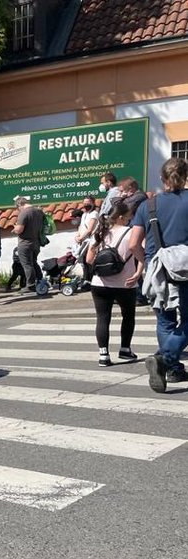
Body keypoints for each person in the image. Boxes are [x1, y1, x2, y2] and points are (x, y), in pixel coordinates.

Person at [129, 157, 188, 392]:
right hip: (186, 269)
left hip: (158, 271)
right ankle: (165, 360)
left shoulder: (147, 206)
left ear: (162, 178)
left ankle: (170, 368)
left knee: (165, 321)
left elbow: (133, 243)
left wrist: (150, 263)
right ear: (185, 177)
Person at [84, 202, 142, 367]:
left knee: (103, 318)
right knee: (128, 316)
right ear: (122, 217)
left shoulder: (101, 232)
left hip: (99, 283)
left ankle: (103, 355)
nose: (131, 218)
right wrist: (138, 273)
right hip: (126, 282)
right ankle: (125, 349)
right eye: (129, 216)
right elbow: (141, 253)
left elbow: (89, 259)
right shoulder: (131, 232)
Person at [12, 195, 45, 292]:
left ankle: (30, 285)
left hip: (25, 242)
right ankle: (40, 280)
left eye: (18, 208)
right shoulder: (38, 211)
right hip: (36, 242)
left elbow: (19, 229)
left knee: (27, 264)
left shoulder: (24, 213)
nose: (18, 210)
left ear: (20, 204)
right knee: (34, 262)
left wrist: (15, 228)